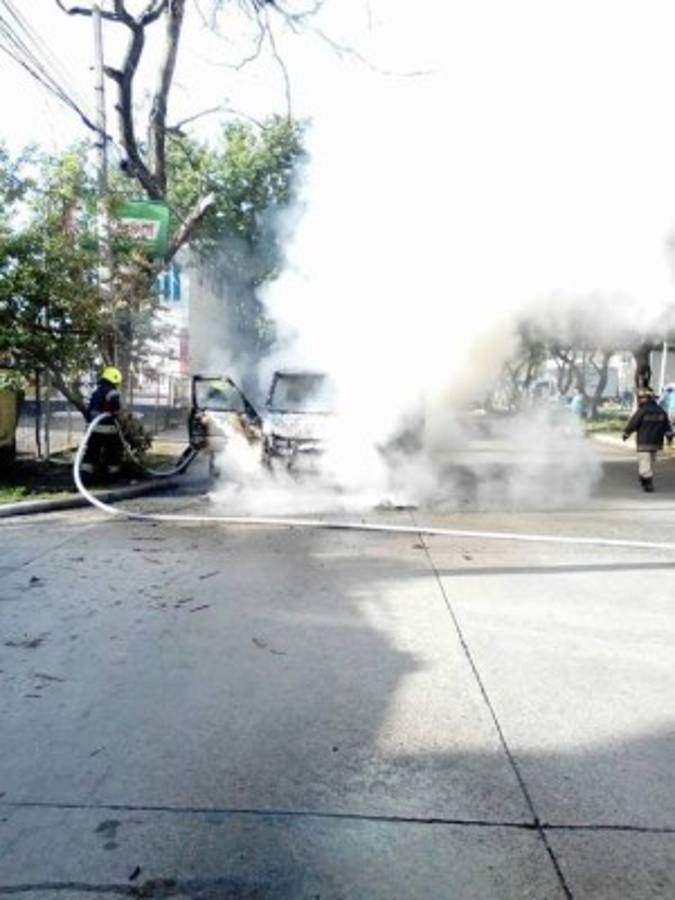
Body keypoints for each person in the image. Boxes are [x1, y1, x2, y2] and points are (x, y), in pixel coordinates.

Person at [622, 387, 673, 492]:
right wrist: (669, 438)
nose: (640, 400)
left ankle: (648, 483)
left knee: (645, 463)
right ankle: (644, 478)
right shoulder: (661, 411)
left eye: (642, 398)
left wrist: (626, 434)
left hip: (643, 442)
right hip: (655, 443)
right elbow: (667, 427)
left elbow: (633, 423)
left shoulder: (642, 411)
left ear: (648, 399)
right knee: (649, 462)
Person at [81, 366, 123, 480]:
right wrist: (115, 413)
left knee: (91, 452)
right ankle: (113, 476)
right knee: (113, 451)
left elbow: (90, 409)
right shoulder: (113, 392)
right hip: (108, 428)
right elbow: (115, 409)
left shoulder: (96, 392)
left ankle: (85, 476)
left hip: (93, 428)